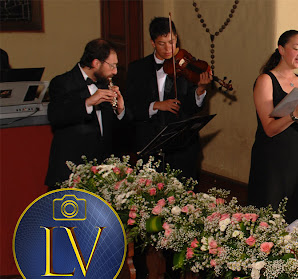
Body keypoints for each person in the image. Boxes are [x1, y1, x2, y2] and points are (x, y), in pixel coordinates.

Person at [248, 30, 298, 223]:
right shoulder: (265, 80)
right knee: (269, 216)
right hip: (271, 157)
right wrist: (294, 115)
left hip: (297, 156)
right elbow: (269, 129)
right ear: (281, 49)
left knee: (297, 215)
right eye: (296, 48)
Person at [126, 17, 212, 180]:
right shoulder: (137, 69)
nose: (168, 48)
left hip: (183, 146)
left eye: (172, 41)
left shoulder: (186, 66)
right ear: (152, 43)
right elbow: (130, 108)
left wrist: (200, 89)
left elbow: (192, 108)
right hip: (150, 143)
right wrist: (156, 105)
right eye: (162, 43)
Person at [45, 39, 127, 189]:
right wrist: (88, 102)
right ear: (96, 63)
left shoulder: (106, 84)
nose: (115, 71)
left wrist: (120, 110)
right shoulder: (62, 83)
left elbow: (120, 133)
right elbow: (56, 117)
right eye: (112, 65)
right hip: (71, 173)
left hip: (104, 172)